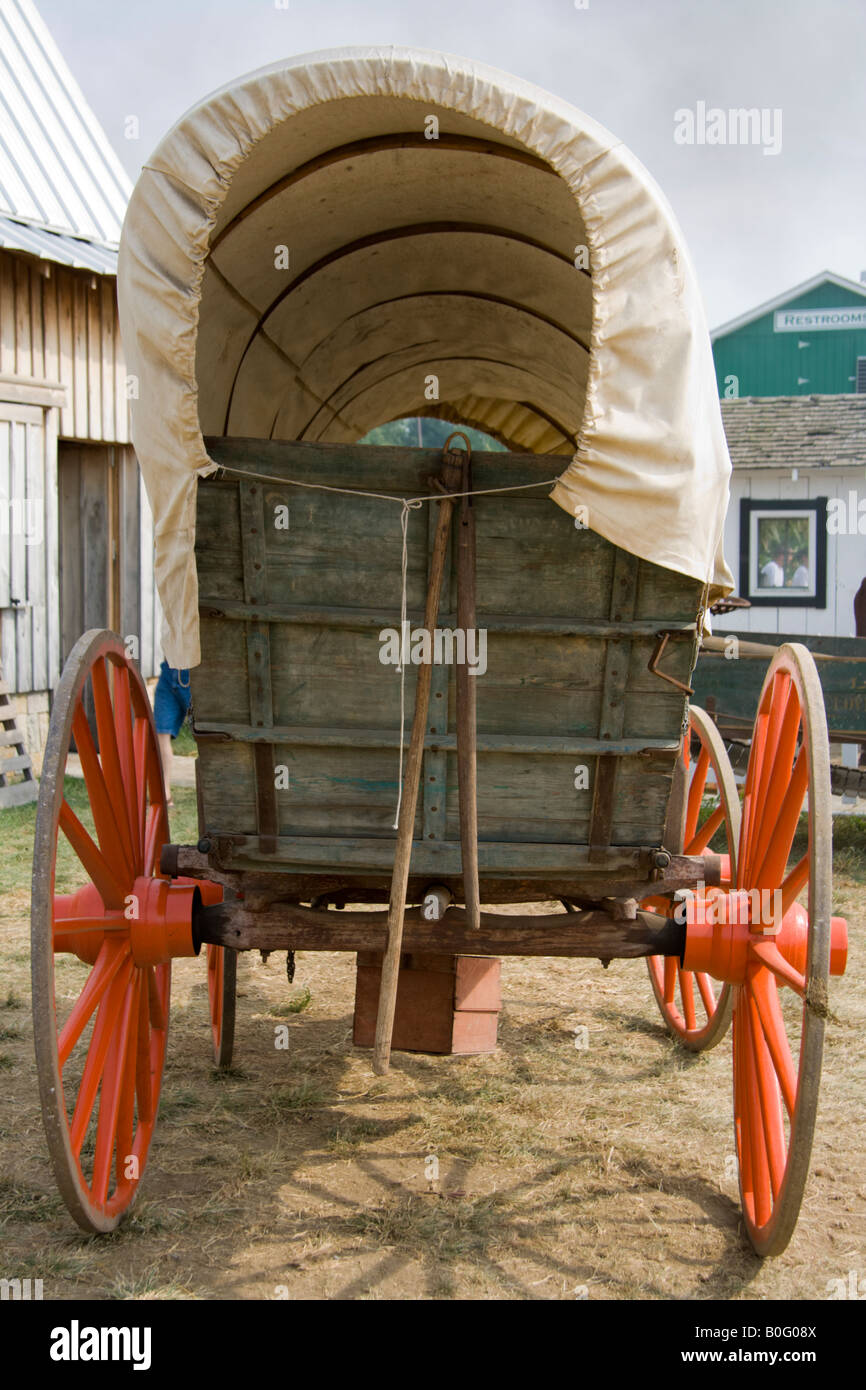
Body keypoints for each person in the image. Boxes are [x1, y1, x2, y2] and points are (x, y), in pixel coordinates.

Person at [153, 660, 191, 807]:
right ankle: (164, 792)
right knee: (161, 732)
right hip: (169, 672)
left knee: (206, 733)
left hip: (195, 672)